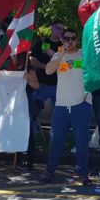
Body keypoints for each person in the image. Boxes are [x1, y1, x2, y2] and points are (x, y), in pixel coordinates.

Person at [41, 28, 93, 186]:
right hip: (61, 105)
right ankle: (50, 171)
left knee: (81, 141)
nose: (70, 41)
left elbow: (94, 73)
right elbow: (48, 71)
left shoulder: (85, 54)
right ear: (62, 40)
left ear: (77, 40)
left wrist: (86, 97)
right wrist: (61, 54)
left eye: (73, 38)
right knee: (55, 140)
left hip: (81, 104)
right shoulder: (58, 55)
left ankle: (83, 173)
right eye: (67, 38)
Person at [30, 20, 64, 110]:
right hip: (41, 85)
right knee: (35, 110)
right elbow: (32, 61)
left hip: (58, 86)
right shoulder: (42, 43)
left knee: (58, 111)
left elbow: (67, 65)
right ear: (52, 29)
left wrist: (53, 54)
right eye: (58, 28)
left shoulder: (63, 46)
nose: (60, 31)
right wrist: (46, 66)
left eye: (62, 29)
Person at [15, 52, 40, 171]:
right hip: (17, 103)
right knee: (18, 132)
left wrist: (28, 79)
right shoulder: (14, 69)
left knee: (28, 133)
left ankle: (30, 162)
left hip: (27, 102)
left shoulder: (30, 71)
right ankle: (18, 160)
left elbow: (37, 86)